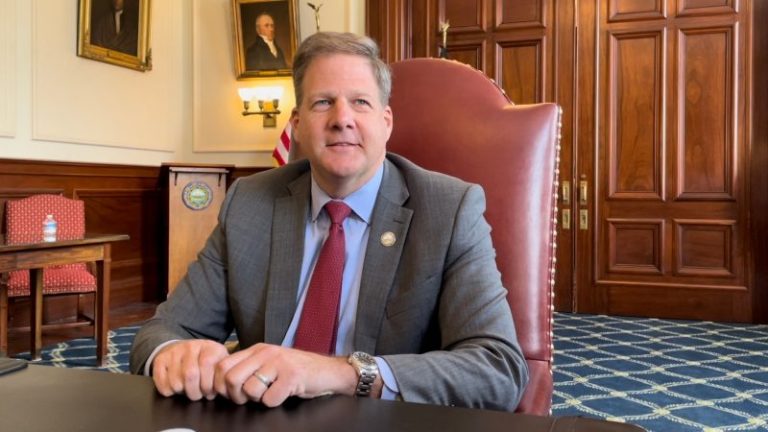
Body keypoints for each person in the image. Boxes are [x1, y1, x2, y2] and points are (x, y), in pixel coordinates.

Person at [130, 32, 528, 411]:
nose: (342, 119)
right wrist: (176, 354)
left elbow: (497, 369)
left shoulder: (449, 209)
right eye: (323, 102)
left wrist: (340, 373)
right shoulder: (250, 203)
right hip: (263, 415)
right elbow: (160, 333)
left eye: (360, 102)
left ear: (386, 122)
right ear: (297, 124)